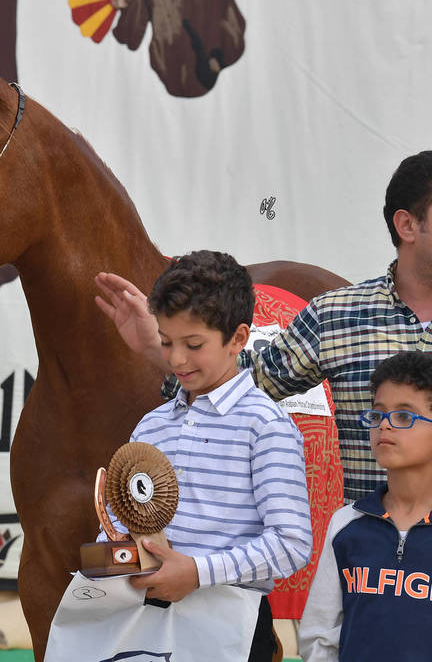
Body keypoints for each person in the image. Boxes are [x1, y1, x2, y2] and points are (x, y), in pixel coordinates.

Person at [95, 151, 432, 503]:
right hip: (368, 547)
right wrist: (158, 347)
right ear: (407, 225)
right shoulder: (337, 314)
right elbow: (242, 384)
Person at [98, 251, 313, 660]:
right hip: (144, 625)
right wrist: (114, 558)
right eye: (165, 342)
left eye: (193, 344)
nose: (176, 359)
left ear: (238, 338)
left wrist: (197, 573)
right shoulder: (151, 426)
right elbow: (119, 518)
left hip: (233, 628)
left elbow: (291, 542)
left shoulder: (264, 425)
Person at [298, 351, 432, 661]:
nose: (384, 426)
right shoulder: (346, 523)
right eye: (377, 414)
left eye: (403, 416)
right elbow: (319, 634)